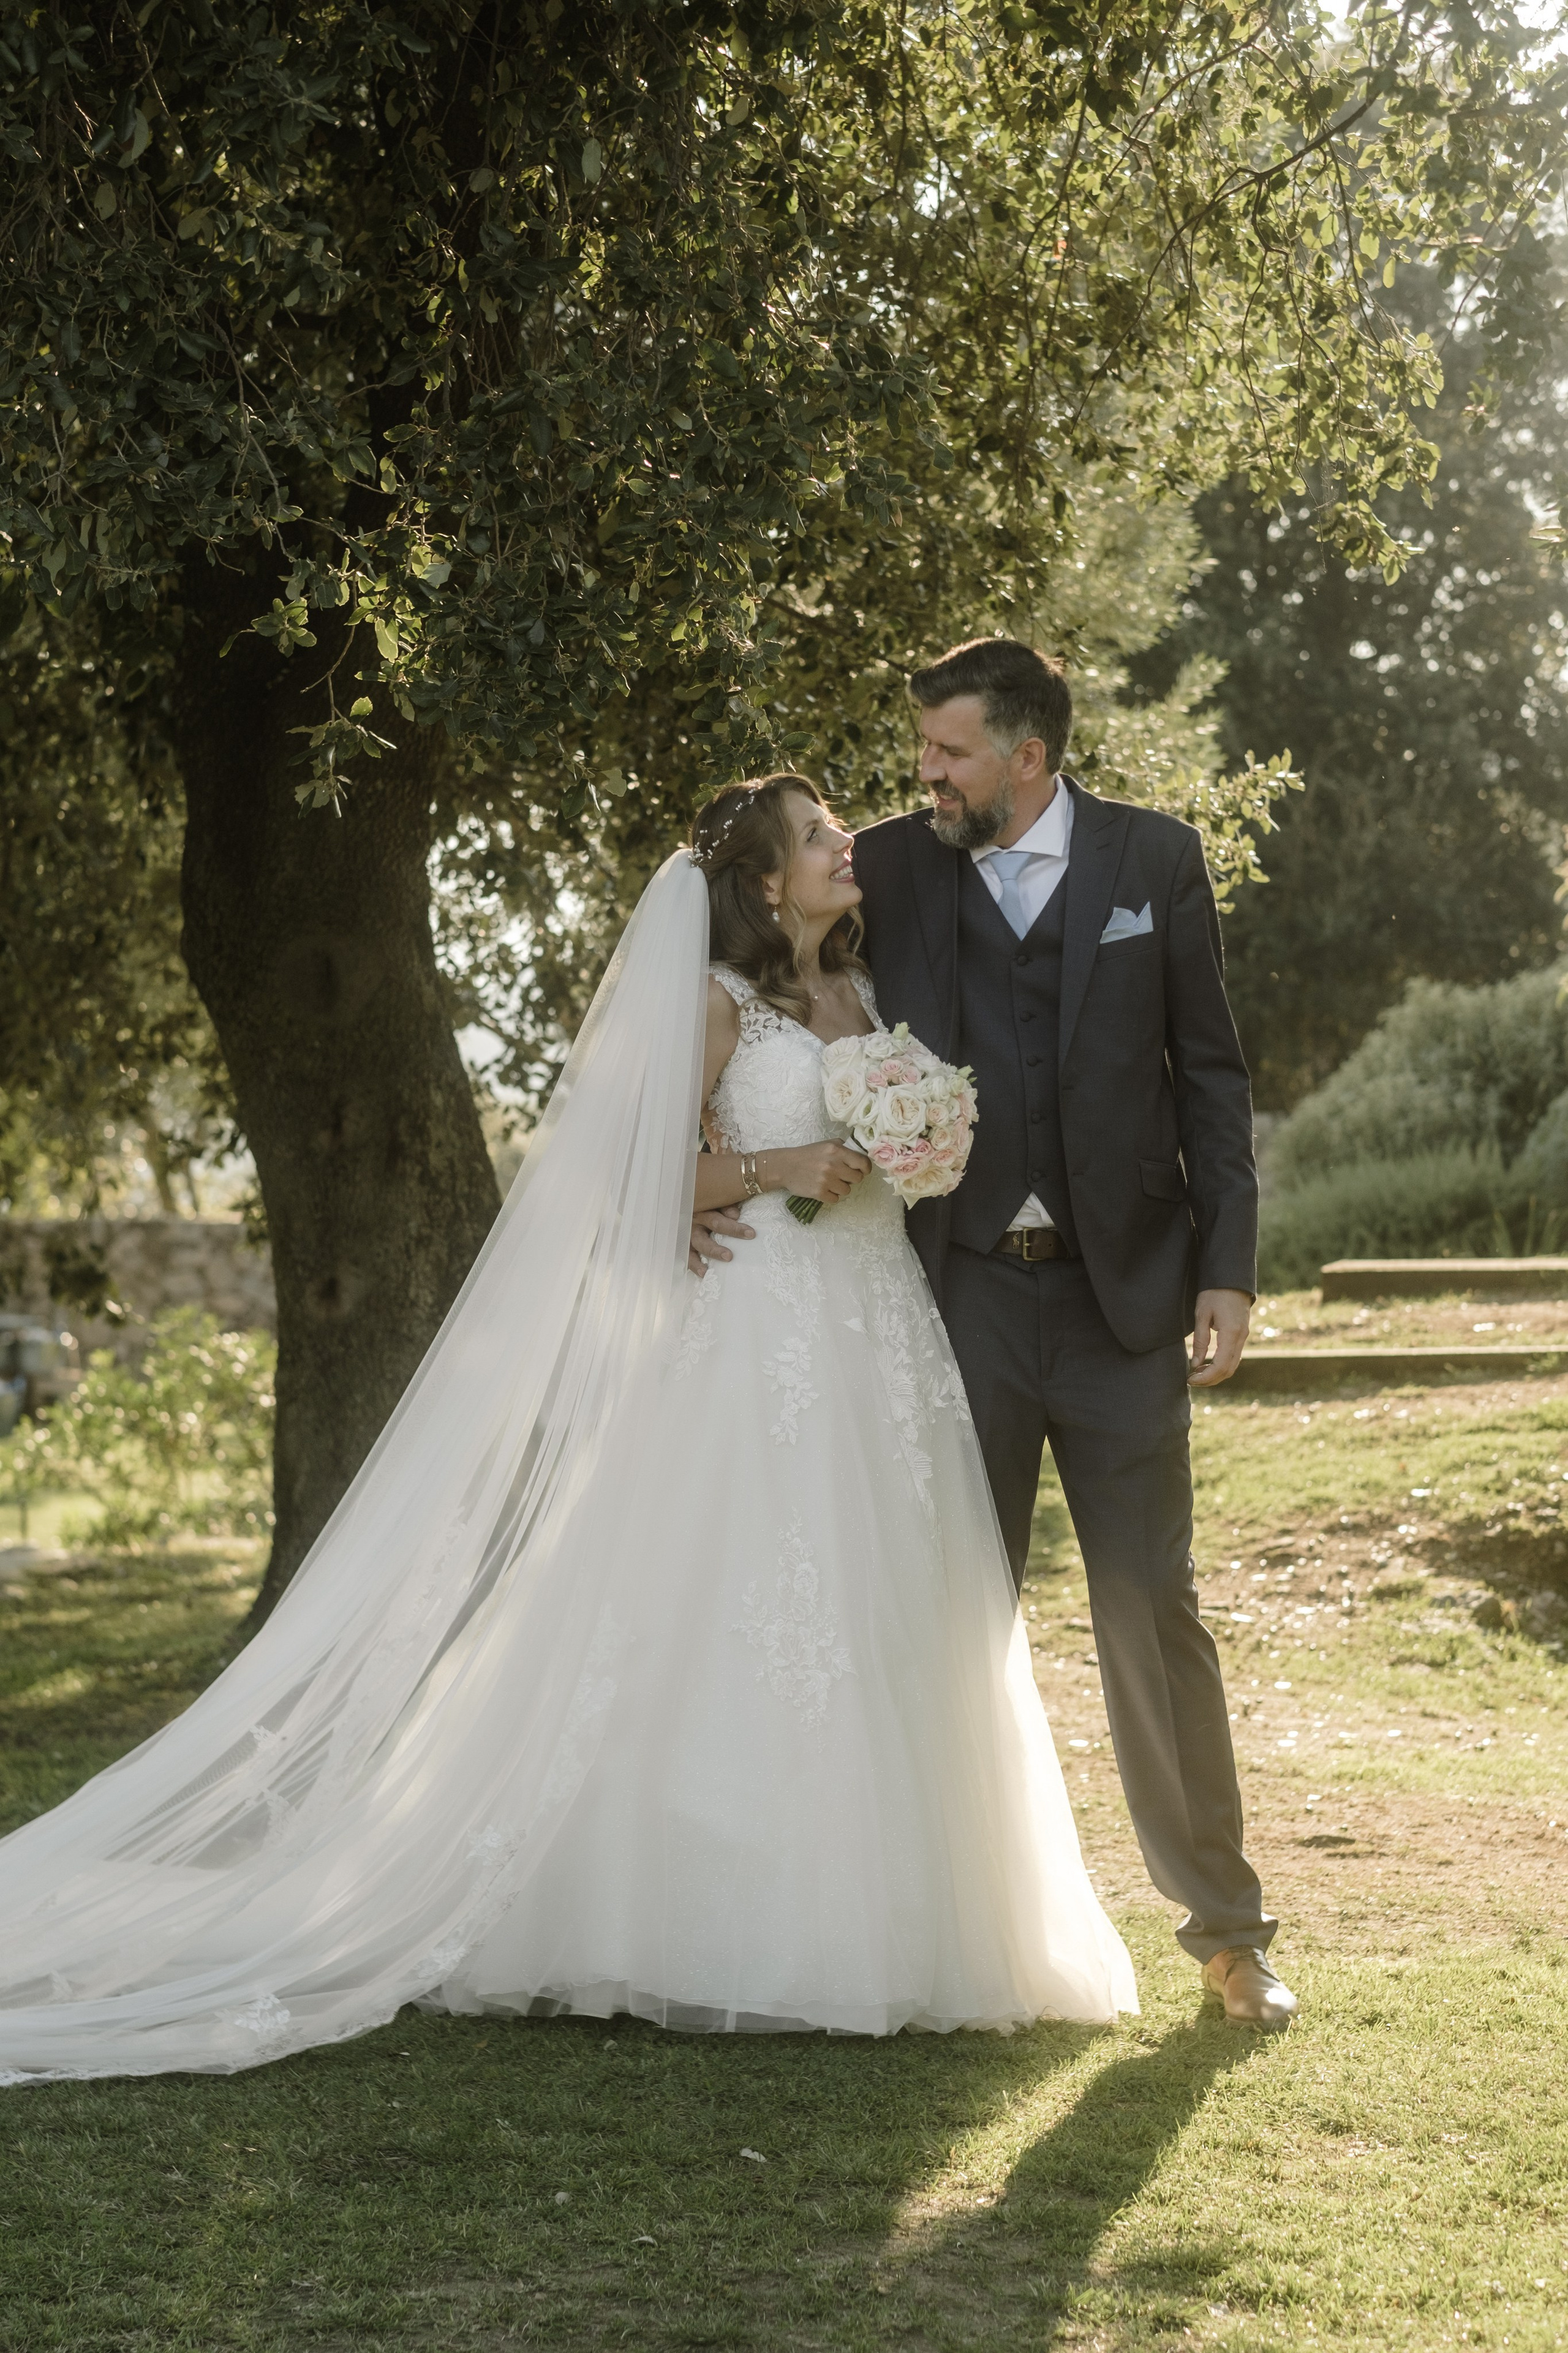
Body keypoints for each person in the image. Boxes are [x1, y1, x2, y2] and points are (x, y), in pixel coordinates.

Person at [0, 774, 1133, 2086]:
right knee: (740, 1604)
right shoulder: (720, 1003)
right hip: (755, 1332)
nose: (846, 846)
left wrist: (907, 1145)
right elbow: (626, 1173)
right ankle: (701, 1923)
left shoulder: (871, 998)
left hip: (876, 1331)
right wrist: (772, 1170)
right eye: (820, 837)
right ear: (766, 881)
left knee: (889, 1609)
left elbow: (875, 1148)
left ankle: (916, 1923)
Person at [698, 643, 1298, 2031]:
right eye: (923, 754)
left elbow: (1208, 1070)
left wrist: (1229, 1265)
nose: (924, 777)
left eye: (949, 754)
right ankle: (916, 1933)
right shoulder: (890, 870)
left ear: (1027, 754)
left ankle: (1227, 1936)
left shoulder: (1153, 859)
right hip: (945, 1299)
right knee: (934, 1613)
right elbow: (756, 971)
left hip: (1123, 1300)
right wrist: (700, 1174)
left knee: (1150, 1607)